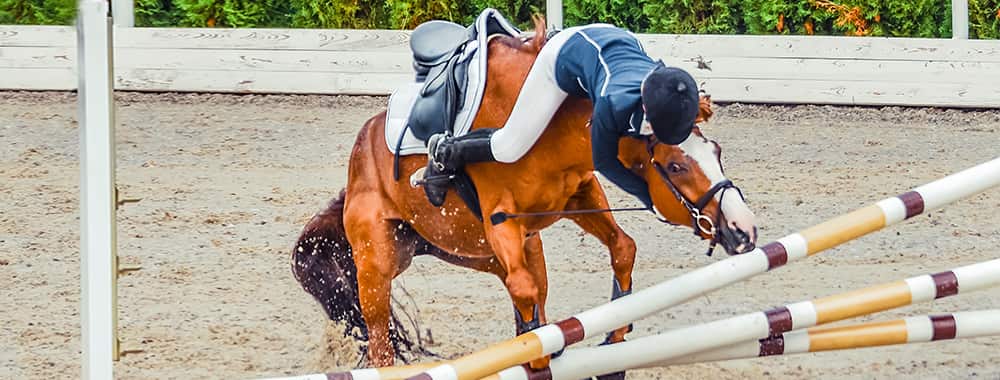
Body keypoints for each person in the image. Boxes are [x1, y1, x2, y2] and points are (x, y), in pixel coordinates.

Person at [424, 23, 700, 210]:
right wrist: (649, 198)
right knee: (509, 147)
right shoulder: (611, 101)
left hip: (613, 38)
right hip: (562, 57)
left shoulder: (668, 83)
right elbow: (604, 161)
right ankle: (445, 152)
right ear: (644, 108)